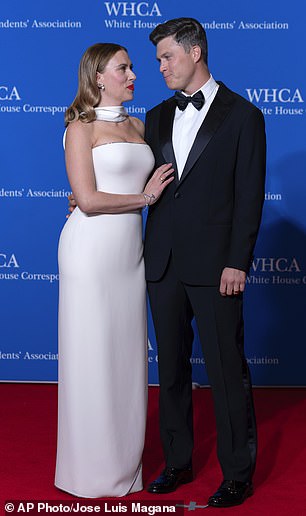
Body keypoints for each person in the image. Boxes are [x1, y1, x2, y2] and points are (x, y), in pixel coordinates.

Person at [143, 18, 266, 508]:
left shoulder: (243, 115)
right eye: (157, 60)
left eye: (167, 56)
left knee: (225, 368)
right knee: (170, 369)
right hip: (164, 262)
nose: (161, 67)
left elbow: (249, 196)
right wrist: (83, 197)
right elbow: (135, 179)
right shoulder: (153, 116)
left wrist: (238, 261)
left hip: (218, 267)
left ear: (195, 53)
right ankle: (178, 461)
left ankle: (238, 473)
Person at [55, 42, 173, 498]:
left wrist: (145, 198)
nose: (134, 75)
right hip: (90, 253)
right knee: (91, 358)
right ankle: (88, 472)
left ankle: (126, 466)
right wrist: (143, 199)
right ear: (98, 76)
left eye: (132, 67)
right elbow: (86, 199)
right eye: (123, 68)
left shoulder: (140, 125)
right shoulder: (79, 128)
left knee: (125, 360)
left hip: (130, 256)